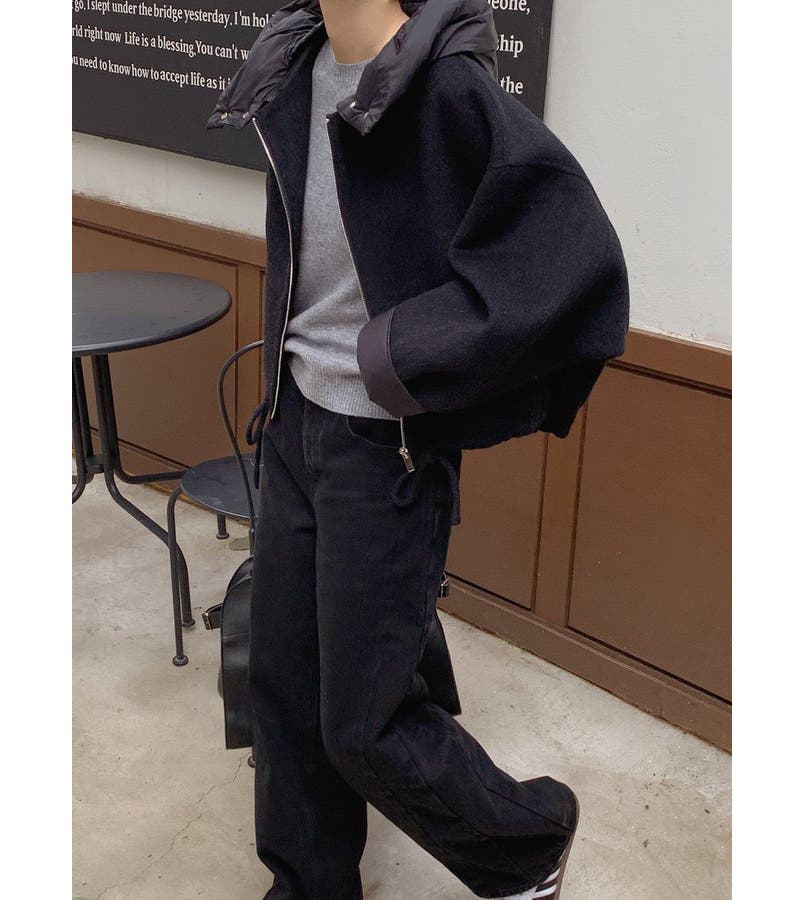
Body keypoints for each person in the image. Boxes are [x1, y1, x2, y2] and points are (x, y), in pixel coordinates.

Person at [206, 1, 629, 897]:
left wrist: (404, 355)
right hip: (294, 422)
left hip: (384, 448)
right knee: (284, 691)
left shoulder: (443, 84)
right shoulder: (293, 66)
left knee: (364, 724)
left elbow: (574, 258)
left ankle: (527, 843)